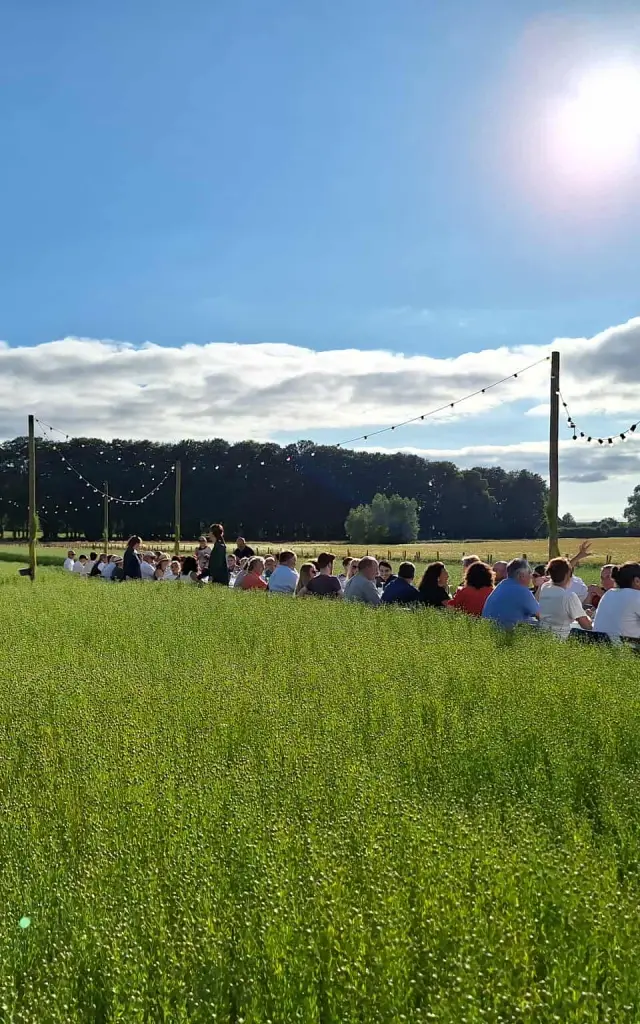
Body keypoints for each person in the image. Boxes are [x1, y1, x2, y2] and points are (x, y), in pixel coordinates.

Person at [538, 557, 593, 639]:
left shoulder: (544, 587)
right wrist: (587, 616)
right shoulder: (569, 596)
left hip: (543, 636)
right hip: (561, 639)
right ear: (568, 574)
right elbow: (586, 626)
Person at [482, 558, 540, 628]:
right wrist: (542, 587)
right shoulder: (521, 590)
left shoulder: (501, 586)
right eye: (529, 573)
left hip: (490, 631)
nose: (531, 577)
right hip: (509, 633)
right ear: (521, 575)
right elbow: (541, 614)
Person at [594, 563, 640, 640]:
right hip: (625, 647)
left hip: (600, 644)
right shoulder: (637, 596)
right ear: (637, 581)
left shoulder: (609, 593)